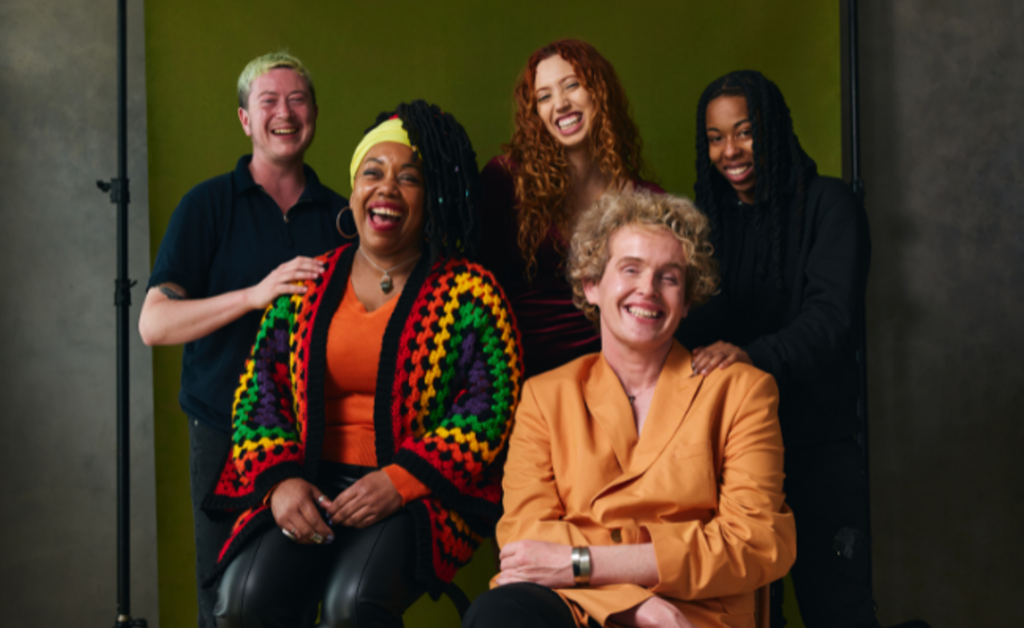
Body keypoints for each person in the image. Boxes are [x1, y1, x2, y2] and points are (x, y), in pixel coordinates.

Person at [202, 100, 523, 628]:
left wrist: (400, 479)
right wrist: (281, 482)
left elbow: (489, 412)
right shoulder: (307, 283)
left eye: (410, 178)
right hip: (309, 482)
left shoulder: (470, 293)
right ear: (353, 192)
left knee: (353, 605)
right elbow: (261, 393)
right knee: (243, 600)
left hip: (419, 493)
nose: (387, 188)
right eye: (372, 172)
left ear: (432, 198)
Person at [465, 190, 796, 628]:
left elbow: (756, 543)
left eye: (670, 277)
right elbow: (526, 540)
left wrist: (583, 561)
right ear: (591, 285)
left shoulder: (742, 392)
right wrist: (636, 605)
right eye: (631, 269)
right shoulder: (544, 398)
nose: (648, 289)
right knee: (497, 614)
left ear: (688, 299)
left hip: (693, 614)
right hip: (582, 609)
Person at [139, 51, 347, 628]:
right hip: (222, 431)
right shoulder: (207, 206)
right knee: (225, 604)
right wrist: (255, 296)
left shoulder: (339, 217)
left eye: (297, 99)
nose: (285, 112)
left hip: (314, 441)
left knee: (306, 600)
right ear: (245, 120)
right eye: (269, 101)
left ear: (314, 115)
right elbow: (154, 324)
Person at [676, 70, 876, 628]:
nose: (730, 151)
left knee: (838, 609)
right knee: (754, 615)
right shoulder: (711, 223)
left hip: (819, 450)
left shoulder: (829, 205)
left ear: (773, 129)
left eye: (745, 132)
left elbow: (831, 321)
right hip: (737, 456)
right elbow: (697, 323)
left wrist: (750, 356)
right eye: (715, 138)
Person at [481, 39, 663, 378]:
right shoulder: (505, 180)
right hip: (516, 372)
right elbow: (476, 284)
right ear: (535, 112)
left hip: (613, 374)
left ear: (599, 92)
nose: (561, 104)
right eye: (545, 96)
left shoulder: (645, 199)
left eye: (572, 86)